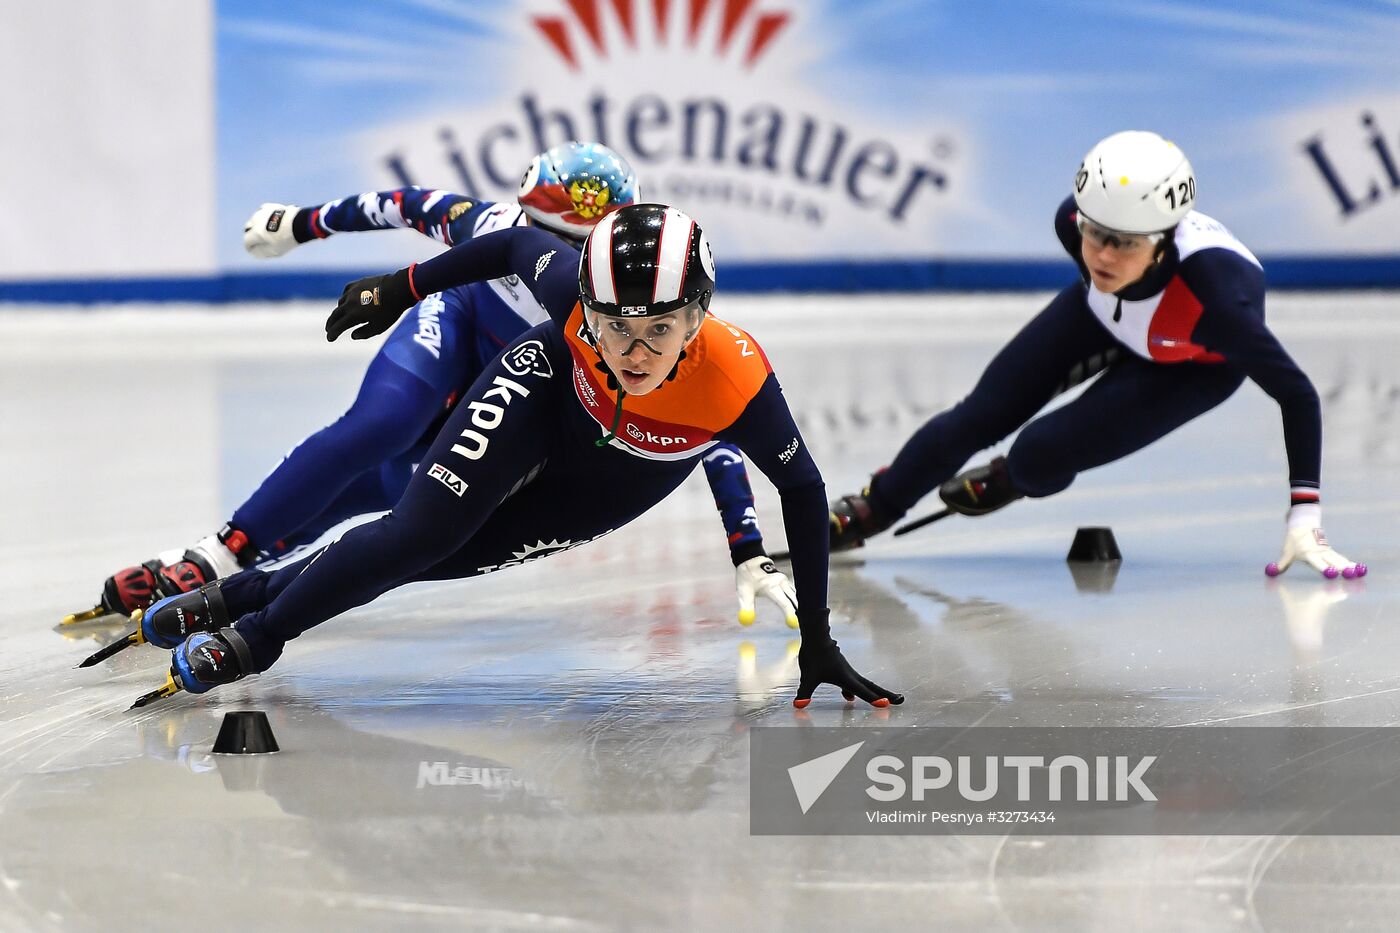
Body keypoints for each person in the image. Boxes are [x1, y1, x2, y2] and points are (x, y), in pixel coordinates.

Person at [127, 203, 902, 710]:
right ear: (584, 305)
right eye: (612, 325)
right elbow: (510, 243)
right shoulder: (569, 290)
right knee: (417, 533)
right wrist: (402, 285)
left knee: (436, 561)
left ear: (697, 319)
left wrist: (820, 636)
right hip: (538, 390)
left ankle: (248, 591)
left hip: (619, 475)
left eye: (658, 331)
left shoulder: (738, 379)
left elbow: (802, 487)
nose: (633, 352)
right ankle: (258, 635)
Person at [66, 142, 797, 631]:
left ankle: (244, 579)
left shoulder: (629, 300)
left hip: (512, 391)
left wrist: (745, 542)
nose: (576, 264)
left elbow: (700, 430)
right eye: (557, 239)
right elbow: (406, 204)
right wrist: (302, 225)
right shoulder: (496, 229)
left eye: (590, 246)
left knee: (395, 500)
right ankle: (218, 554)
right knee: (384, 423)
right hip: (454, 334)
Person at [828, 130, 1366, 580]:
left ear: (1163, 242)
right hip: (1102, 316)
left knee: (1038, 455)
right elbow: (1100, 253)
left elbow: (1297, 395)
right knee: (978, 415)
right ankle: (874, 508)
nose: (1105, 255)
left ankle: (1012, 476)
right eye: (1097, 235)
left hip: (1189, 367)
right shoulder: (1072, 224)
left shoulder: (1220, 302)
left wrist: (1305, 514)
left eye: (1126, 243)